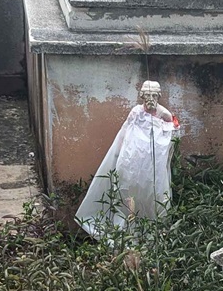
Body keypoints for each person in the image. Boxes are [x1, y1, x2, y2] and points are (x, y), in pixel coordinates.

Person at [76, 81, 179, 235]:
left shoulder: (164, 114)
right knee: (128, 192)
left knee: (154, 194)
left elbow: (172, 136)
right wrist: (119, 151)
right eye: (147, 95)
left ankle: (153, 228)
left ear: (158, 96)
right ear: (142, 96)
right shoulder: (136, 112)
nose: (150, 99)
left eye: (153, 95)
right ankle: (129, 227)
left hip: (153, 164)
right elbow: (125, 132)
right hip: (133, 161)